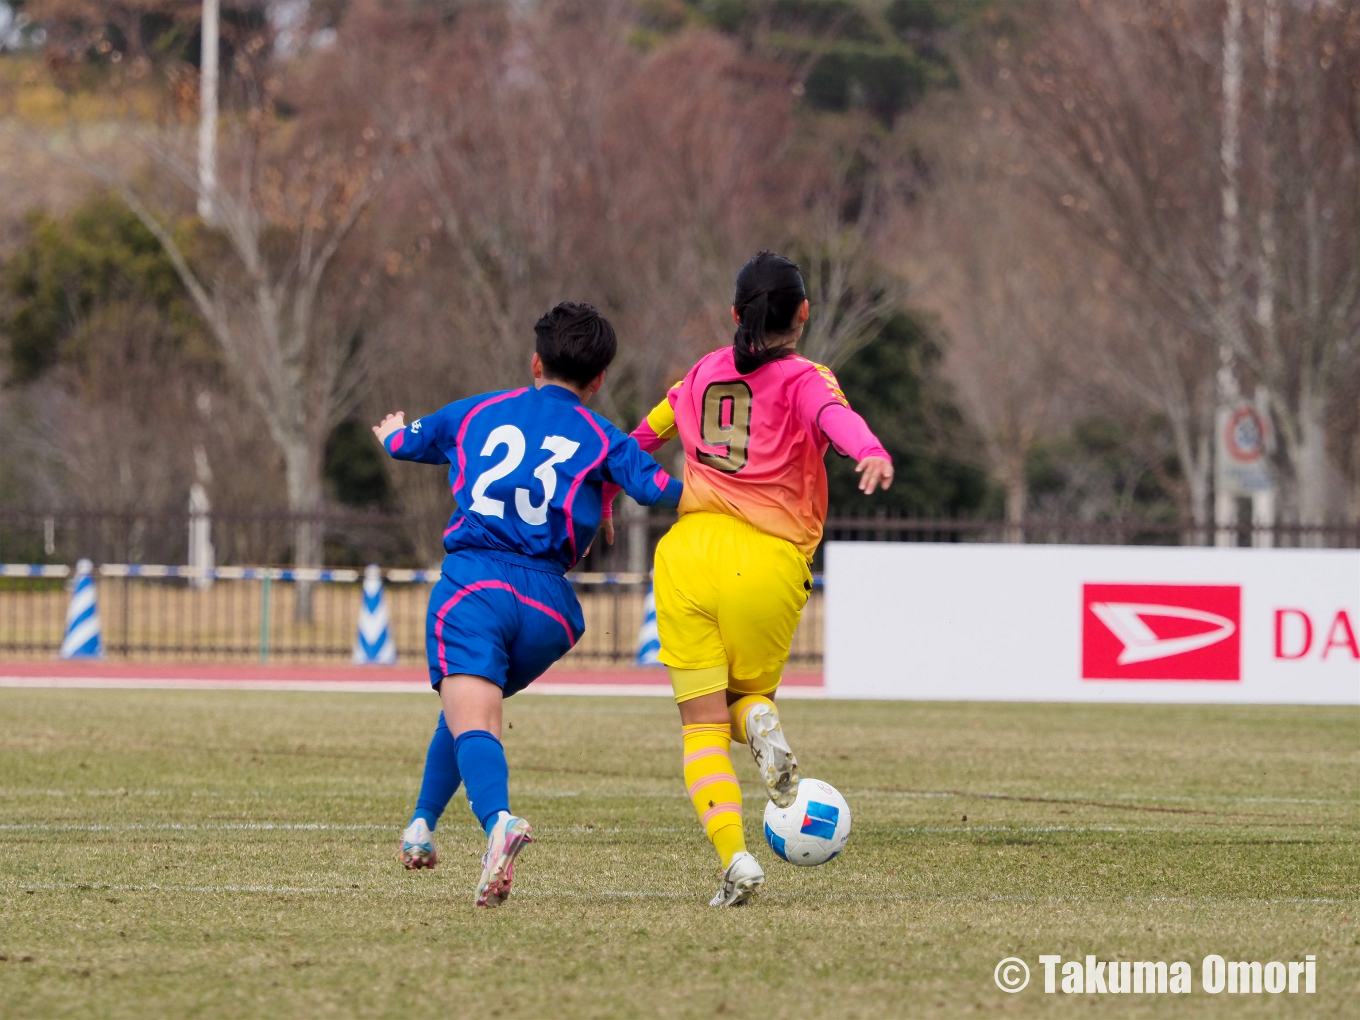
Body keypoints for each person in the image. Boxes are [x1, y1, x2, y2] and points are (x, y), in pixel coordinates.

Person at [374, 301, 682, 908]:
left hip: (476, 584)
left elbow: (409, 445)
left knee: (474, 714)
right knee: (469, 710)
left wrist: (389, 433)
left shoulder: (478, 411)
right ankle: (421, 824)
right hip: (549, 609)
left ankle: (499, 824)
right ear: (598, 381)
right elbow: (663, 489)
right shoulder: (603, 436)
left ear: (534, 361)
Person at [609, 251, 892, 906]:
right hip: (765, 563)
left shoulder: (700, 373)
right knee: (741, 706)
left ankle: (736, 860)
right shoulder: (805, 377)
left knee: (701, 729)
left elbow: (634, 442)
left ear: (736, 314)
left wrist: (599, 491)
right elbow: (834, 420)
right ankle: (759, 714)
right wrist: (870, 451)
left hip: (686, 556)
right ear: (803, 313)